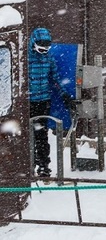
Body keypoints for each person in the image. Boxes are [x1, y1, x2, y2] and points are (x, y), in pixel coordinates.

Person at [28, 27, 71, 177]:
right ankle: (27, 165)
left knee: (41, 134)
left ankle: (43, 165)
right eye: (41, 47)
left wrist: (64, 95)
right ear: (34, 43)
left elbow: (56, 79)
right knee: (25, 135)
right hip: (26, 103)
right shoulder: (24, 57)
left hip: (43, 101)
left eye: (47, 47)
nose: (44, 50)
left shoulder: (49, 58)